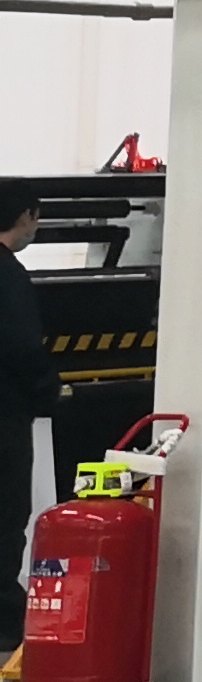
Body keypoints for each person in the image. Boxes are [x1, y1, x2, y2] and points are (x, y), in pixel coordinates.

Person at [0, 184, 61, 652]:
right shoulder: (9, 276)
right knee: (5, 513)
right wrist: (49, 390)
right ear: (26, 216)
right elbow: (22, 346)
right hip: (5, 415)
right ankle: (5, 620)